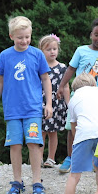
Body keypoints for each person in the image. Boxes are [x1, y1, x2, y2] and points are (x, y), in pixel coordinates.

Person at [0, 16, 53, 194]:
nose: (24, 41)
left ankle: (37, 182)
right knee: (14, 144)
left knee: (34, 143)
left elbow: (46, 79)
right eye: (20, 38)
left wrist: (48, 104)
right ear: (11, 36)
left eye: (27, 37)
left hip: (32, 108)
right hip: (12, 110)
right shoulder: (5, 56)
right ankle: (17, 182)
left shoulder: (37, 55)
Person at [47, 73, 98, 194]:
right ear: (93, 83)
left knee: (74, 176)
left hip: (84, 134)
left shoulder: (74, 99)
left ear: (75, 88)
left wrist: (82, 145)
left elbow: (74, 126)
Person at [55, 17, 98, 174]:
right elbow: (70, 69)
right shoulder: (81, 50)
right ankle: (70, 157)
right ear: (91, 34)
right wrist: (62, 86)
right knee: (72, 127)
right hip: (80, 97)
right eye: (97, 34)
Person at [38, 34, 70, 168]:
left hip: (57, 104)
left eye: (54, 49)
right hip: (41, 102)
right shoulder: (38, 66)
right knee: (40, 131)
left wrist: (69, 104)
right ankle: (38, 158)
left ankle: (51, 158)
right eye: (48, 49)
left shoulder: (62, 67)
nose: (52, 52)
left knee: (53, 132)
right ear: (41, 51)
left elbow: (66, 86)